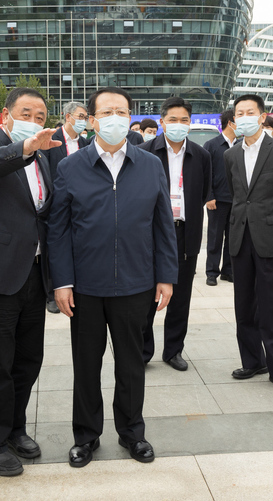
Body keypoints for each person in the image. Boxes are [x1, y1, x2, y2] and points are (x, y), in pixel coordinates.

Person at [48, 86, 177, 468]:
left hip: (136, 284)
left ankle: (132, 433)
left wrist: (165, 275)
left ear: (131, 117)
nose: (114, 118)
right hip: (86, 287)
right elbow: (59, 230)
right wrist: (62, 281)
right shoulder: (70, 167)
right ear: (91, 120)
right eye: (106, 112)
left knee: (131, 364)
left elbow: (163, 225)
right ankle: (85, 437)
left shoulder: (150, 165)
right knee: (86, 364)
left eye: (121, 110)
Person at [0, 87, 60, 477]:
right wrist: (22, 149)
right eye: (26, 112)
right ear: (6, 115)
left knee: (26, 362)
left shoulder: (44, 155)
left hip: (33, 276)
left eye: (40, 115)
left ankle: (15, 429)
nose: (34, 121)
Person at [224, 94, 273, 393]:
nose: (243, 117)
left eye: (249, 112)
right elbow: (236, 194)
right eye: (238, 112)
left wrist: (271, 219)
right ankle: (252, 360)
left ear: (261, 116)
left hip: (272, 238)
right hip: (240, 237)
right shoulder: (230, 155)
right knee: (244, 305)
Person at [140, 97, 212, 370]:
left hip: (185, 233)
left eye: (184, 120)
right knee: (147, 296)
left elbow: (203, 192)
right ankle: (143, 351)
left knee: (180, 297)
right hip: (151, 233)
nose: (178, 125)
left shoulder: (200, 155)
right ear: (162, 122)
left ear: (190, 124)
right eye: (173, 120)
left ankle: (173, 351)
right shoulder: (145, 151)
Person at [41, 101, 90, 314]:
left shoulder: (87, 143)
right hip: (57, 203)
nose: (83, 121)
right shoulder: (52, 141)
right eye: (80, 117)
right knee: (56, 245)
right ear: (67, 116)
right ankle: (52, 292)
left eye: (85, 117)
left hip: (82, 204)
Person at [203, 110, 238, 286]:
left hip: (237, 200)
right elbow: (205, 173)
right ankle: (211, 272)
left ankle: (228, 271)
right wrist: (209, 196)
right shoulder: (212, 145)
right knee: (215, 237)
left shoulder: (242, 144)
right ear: (231, 122)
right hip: (217, 200)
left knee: (233, 238)